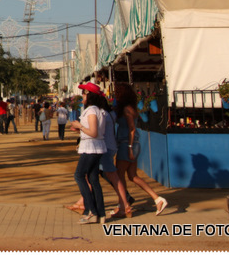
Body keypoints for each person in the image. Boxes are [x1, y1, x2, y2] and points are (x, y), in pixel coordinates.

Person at [115, 82, 168, 216]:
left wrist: (129, 147)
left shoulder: (126, 109)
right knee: (133, 176)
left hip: (127, 144)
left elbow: (132, 129)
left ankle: (123, 205)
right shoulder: (132, 109)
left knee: (119, 176)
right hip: (133, 144)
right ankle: (157, 198)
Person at [69, 82, 108, 224]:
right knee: (93, 179)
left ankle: (91, 210)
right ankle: (100, 213)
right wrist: (80, 129)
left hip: (91, 148)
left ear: (90, 96)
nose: (82, 97)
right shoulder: (98, 110)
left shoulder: (91, 110)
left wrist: (80, 126)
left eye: (84, 94)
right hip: (95, 147)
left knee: (79, 175)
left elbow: (93, 132)